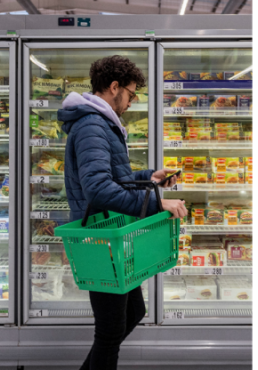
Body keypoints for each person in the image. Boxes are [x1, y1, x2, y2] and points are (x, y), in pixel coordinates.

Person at [57, 55, 188, 370]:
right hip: (101, 239)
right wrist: (158, 203)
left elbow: (112, 178)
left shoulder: (101, 122)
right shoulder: (92, 124)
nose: (131, 101)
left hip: (113, 234)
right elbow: (99, 189)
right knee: (110, 331)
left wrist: (149, 177)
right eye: (130, 93)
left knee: (132, 314)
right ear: (114, 87)